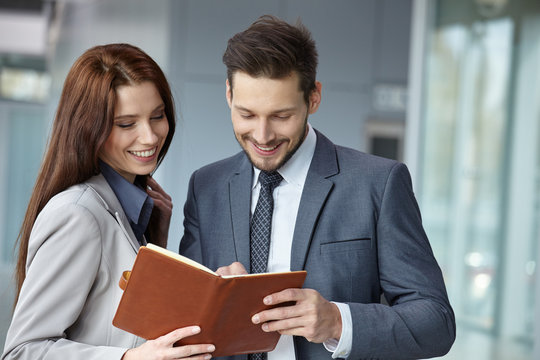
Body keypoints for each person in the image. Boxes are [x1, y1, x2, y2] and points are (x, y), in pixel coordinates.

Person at [179, 15, 456, 360]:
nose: (263, 136)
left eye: (281, 116)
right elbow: (185, 320)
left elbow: (436, 322)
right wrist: (214, 297)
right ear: (228, 94)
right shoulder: (206, 187)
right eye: (247, 115)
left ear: (314, 98)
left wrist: (338, 322)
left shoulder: (378, 183)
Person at [2, 43, 215, 360]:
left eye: (157, 116)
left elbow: (120, 325)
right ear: (89, 129)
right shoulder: (77, 215)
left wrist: (156, 238)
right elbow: (22, 351)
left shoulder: (132, 210)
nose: (150, 137)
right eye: (126, 124)